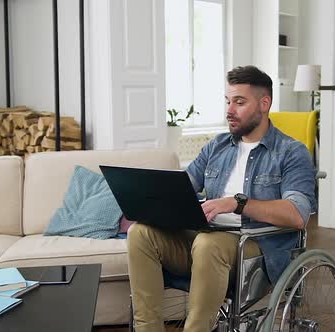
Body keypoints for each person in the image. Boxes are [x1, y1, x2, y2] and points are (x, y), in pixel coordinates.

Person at [127, 65, 317, 332]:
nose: (229, 110)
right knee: (140, 233)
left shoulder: (290, 152)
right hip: (205, 237)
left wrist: (237, 203)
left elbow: (297, 215)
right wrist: (145, 198)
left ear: (264, 104)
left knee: (208, 244)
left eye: (239, 102)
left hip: (255, 247)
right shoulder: (217, 146)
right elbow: (183, 187)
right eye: (228, 101)